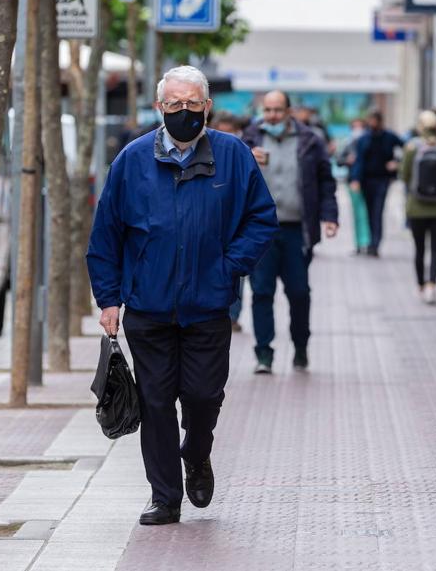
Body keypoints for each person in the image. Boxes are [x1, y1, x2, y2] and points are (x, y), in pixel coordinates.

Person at [87, 65, 278, 526]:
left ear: (207, 106)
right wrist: (108, 299)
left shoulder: (233, 157)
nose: (184, 112)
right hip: (148, 308)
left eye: (193, 103)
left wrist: (227, 268)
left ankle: (196, 452)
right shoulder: (132, 160)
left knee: (202, 396)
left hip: (208, 306)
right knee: (155, 401)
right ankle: (165, 497)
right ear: (159, 108)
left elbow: (261, 220)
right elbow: (106, 236)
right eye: (174, 104)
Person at [243, 90, 338, 374]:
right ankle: (264, 353)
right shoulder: (249, 139)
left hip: (298, 229)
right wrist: (246, 158)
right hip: (260, 231)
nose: (271, 116)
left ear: (288, 111)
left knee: (298, 292)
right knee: (261, 292)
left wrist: (329, 216)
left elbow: (326, 181)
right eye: (267, 110)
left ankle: (300, 345)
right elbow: (227, 175)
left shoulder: (309, 140)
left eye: (277, 110)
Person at [399, 111, 436, 305]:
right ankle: (432, 285)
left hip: (417, 207)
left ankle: (420, 285)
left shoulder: (412, 146)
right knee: (435, 248)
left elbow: (404, 175)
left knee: (419, 248)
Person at [211, 111, 250, 332]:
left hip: (236, 229)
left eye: (230, 132)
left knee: (236, 273)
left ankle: (232, 316)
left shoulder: (242, 155)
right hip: (213, 229)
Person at [350, 110, 404, 257]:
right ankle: (368, 242)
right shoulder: (363, 139)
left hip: (382, 180)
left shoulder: (389, 137)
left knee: (377, 211)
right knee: (367, 212)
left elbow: (406, 147)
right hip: (367, 180)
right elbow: (359, 161)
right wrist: (355, 179)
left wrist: (397, 163)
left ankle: (375, 244)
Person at [336, 118, 371, 255]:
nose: (357, 130)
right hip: (353, 183)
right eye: (355, 127)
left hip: (368, 182)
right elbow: (339, 160)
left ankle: (370, 243)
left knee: (370, 214)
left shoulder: (369, 142)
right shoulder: (347, 143)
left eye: (360, 126)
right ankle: (360, 244)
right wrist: (347, 160)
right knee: (358, 214)